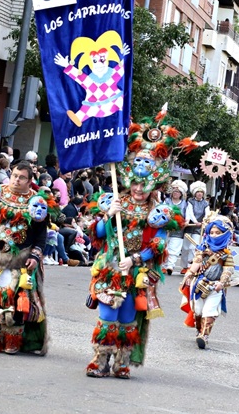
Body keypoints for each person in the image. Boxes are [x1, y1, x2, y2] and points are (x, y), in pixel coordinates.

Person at [84, 105, 200, 379]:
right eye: (134, 184)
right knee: (108, 316)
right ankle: (99, 361)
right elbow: (98, 234)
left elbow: (159, 245)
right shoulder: (115, 202)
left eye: (143, 185)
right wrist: (107, 217)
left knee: (127, 320)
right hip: (110, 269)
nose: (138, 189)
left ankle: (121, 363)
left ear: (153, 184)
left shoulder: (159, 212)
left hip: (136, 272)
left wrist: (135, 260)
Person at [0, 162, 57, 354]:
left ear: (30, 180)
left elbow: (41, 234)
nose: (17, 180)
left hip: (20, 261)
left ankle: (13, 339)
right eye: (15, 175)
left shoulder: (37, 201)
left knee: (17, 297)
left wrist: (35, 255)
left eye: (22, 177)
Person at [180, 214, 235, 349]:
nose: (214, 235)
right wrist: (188, 274)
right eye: (212, 232)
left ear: (225, 234)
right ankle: (199, 331)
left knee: (209, 311)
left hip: (215, 286)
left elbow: (228, 269)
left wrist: (221, 283)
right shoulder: (202, 249)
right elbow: (196, 263)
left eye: (218, 232)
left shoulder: (227, 253)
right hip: (199, 284)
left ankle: (204, 336)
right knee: (198, 310)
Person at [163, 180, 189, 274]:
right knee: (164, 247)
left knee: (174, 249)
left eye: (178, 192)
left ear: (181, 194)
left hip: (178, 230)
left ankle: (170, 266)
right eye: (174, 191)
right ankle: (164, 265)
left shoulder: (185, 204)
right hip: (165, 228)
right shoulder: (166, 201)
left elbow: (188, 215)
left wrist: (187, 221)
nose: (176, 193)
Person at [183, 181, 209, 272]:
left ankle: (191, 264)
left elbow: (207, 213)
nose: (199, 194)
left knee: (193, 247)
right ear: (195, 193)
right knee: (185, 247)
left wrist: (204, 221)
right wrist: (195, 221)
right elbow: (189, 212)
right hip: (190, 225)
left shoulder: (205, 203)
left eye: (201, 192)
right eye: (198, 192)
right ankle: (184, 266)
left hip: (199, 227)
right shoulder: (190, 201)